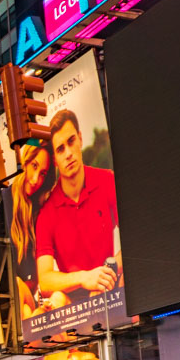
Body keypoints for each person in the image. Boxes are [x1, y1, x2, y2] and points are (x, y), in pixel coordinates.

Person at [35, 109, 121, 303]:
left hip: (112, 284)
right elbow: (46, 280)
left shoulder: (107, 181)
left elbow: (136, 241)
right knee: (56, 298)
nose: (68, 153)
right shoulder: (46, 214)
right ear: (55, 160)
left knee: (128, 279)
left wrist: (106, 275)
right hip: (74, 306)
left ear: (80, 139)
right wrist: (85, 278)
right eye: (60, 149)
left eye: (71, 141)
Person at [9, 140, 60, 318]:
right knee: (23, 306)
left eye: (43, 173)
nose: (35, 179)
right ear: (25, 161)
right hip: (16, 298)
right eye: (34, 166)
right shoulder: (5, 201)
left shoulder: (41, 209)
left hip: (35, 297)